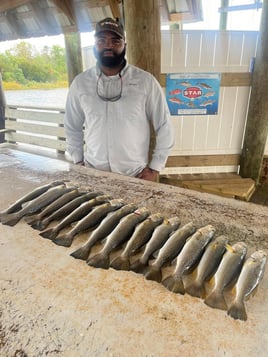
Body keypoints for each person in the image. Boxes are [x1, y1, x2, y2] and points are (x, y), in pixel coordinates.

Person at [64, 17, 174, 182]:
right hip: (93, 173)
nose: (108, 45)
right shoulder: (80, 83)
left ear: (125, 45)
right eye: (102, 40)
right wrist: (78, 160)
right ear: (95, 44)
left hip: (135, 175)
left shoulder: (146, 82)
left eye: (115, 41)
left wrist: (155, 167)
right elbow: (72, 126)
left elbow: (164, 125)